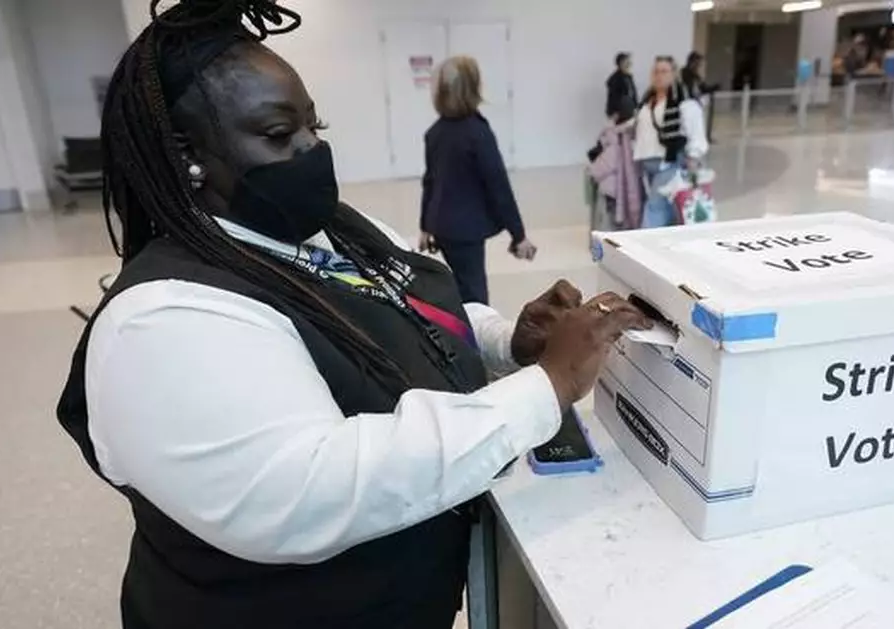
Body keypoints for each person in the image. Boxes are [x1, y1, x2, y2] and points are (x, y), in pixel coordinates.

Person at [55, 2, 649, 628]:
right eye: (280, 135)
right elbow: (310, 489)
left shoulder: (326, 231)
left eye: (317, 126)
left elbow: (397, 310)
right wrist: (546, 387)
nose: (313, 150)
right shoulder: (164, 320)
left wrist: (509, 343)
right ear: (185, 154)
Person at [420, 56, 533, 305]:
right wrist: (519, 235)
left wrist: (425, 226)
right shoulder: (478, 133)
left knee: (460, 286)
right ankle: (472, 341)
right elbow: (498, 186)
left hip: (441, 227)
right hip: (466, 230)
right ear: (474, 88)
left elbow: (429, 182)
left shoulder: (435, 133)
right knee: (474, 295)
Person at [632, 56, 709, 229]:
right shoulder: (647, 101)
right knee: (667, 207)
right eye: (655, 71)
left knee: (654, 206)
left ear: (674, 74)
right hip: (647, 162)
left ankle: (647, 246)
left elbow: (696, 131)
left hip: (670, 163)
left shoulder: (684, 101)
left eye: (664, 71)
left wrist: (694, 157)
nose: (659, 75)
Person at [680, 51, 718, 142]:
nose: (699, 66)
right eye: (698, 63)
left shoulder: (696, 76)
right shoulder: (684, 73)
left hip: (695, 105)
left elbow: (703, 88)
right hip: (685, 105)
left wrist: (713, 88)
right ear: (692, 62)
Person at [606, 51, 638, 120]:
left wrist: (636, 108)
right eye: (627, 62)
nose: (629, 64)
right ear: (621, 63)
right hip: (618, 114)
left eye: (629, 62)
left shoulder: (629, 77)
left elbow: (633, 95)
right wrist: (615, 113)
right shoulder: (615, 79)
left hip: (629, 111)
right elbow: (614, 98)